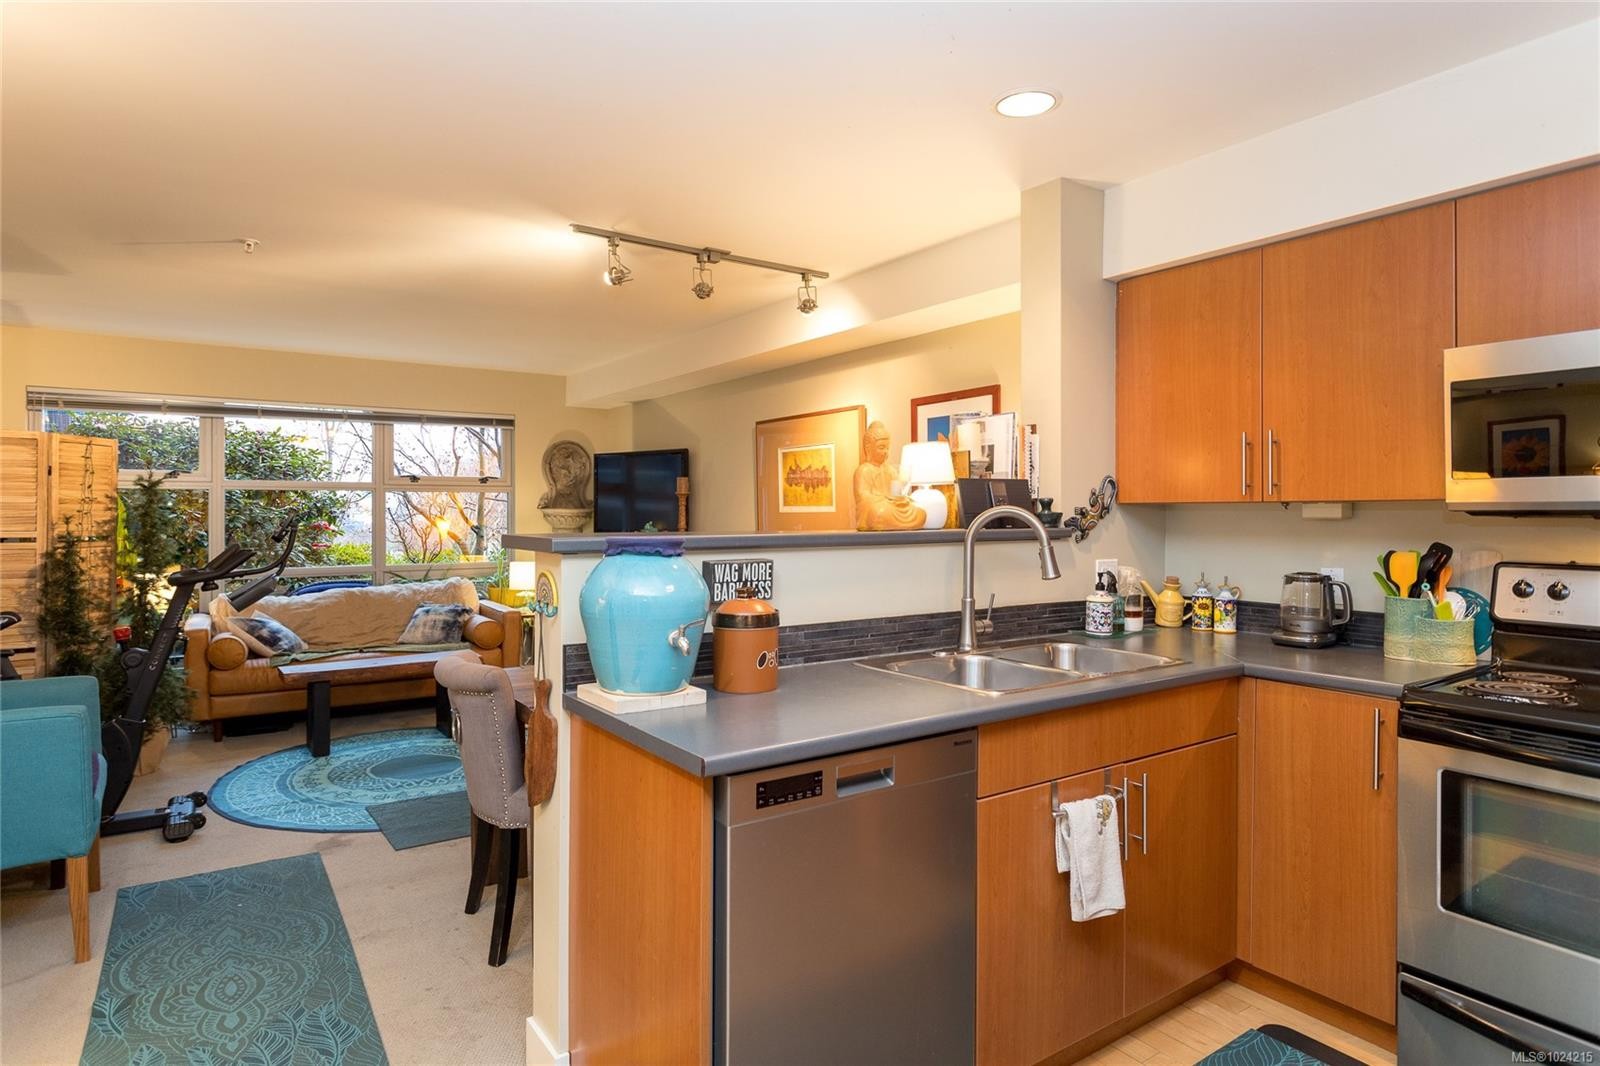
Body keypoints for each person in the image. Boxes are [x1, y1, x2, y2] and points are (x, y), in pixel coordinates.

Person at [853, 421, 925, 530]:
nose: (885, 452)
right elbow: (864, 499)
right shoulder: (863, 470)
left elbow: (899, 494)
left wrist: (902, 500)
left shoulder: (891, 471)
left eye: (887, 448)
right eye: (881, 448)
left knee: (920, 512)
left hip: (891, 508)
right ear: (868, 448)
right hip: (879, 509)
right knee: (879, 513)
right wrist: (885, 499)